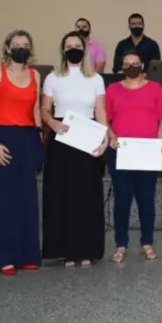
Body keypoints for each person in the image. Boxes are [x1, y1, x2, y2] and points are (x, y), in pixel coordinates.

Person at [0, 30, 44, 275]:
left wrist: (38, 140)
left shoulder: (35, 74)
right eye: (16, 44)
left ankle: (27, 254)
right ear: (7, 48)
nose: (21, 48)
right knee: (3, 199)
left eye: (25, 45)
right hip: (2, 138)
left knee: (26, 198)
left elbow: (36, 110)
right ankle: (2, 256)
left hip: (27, 138)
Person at [40, 31, 108, 267]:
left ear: (85, 49)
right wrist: (53, 124)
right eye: (68, 46)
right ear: (63, 50)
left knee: (86, 195)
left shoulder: (96, 79)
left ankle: (86, 249)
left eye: (77, 45)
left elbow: (100, 113)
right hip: (62, 140)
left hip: (87, 140)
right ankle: (66, 250)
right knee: (63, 195)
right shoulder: (52, 78)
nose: (73, 49)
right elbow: (44, 110)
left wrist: (105, 139)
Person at [105, 51, 162, 263]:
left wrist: (159, 141)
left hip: (147, 152)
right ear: (121, 67)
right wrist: (111, 137)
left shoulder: (155, 89)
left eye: (135, 63)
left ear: (142, 65)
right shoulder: (112, 89)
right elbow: (106, 120)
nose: (131, 66)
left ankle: (147, 242)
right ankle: (120, 244)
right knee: (122, 199)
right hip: (121, 152)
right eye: (126, 64)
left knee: (146, 200)